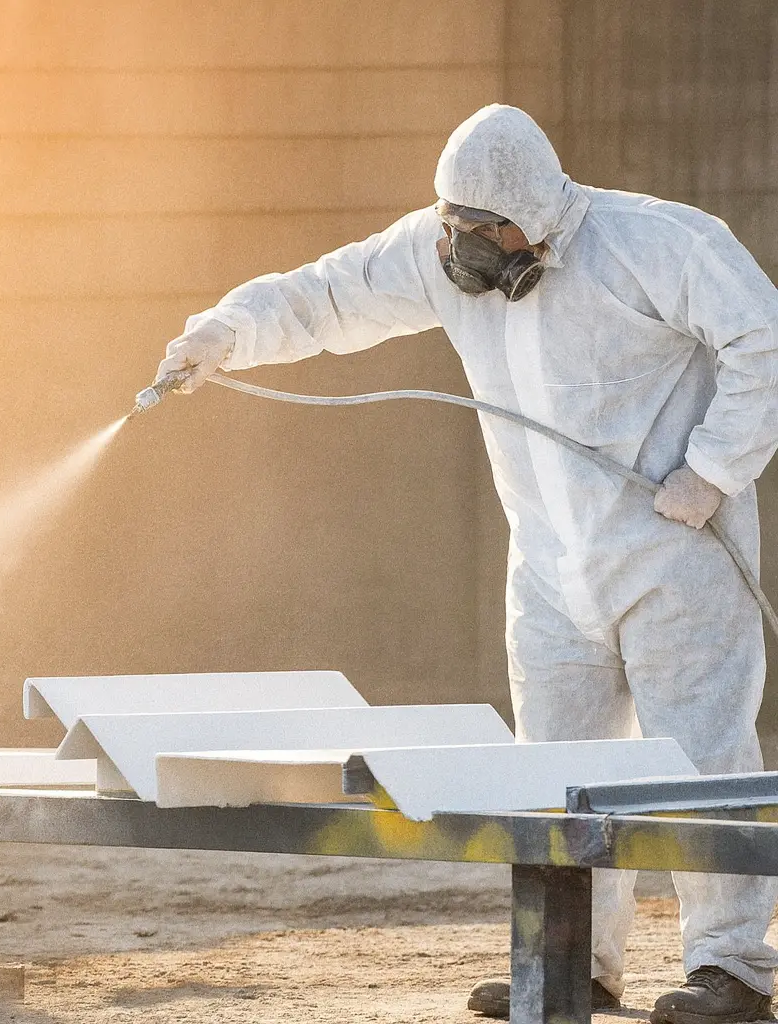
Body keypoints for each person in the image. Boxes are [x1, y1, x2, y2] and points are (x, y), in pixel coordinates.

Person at [149, 103, 778, 1024]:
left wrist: (714, 471)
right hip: (552, 565)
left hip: (673, 547)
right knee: (558, 768)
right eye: (456, 227)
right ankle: (573, 963)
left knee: (699, 759)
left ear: (538, 219)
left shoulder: (658, 245)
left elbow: (763, 337)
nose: (466, 248)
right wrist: (224, 332)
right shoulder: (432, 255)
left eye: (488, 232)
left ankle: (731, 969)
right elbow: (324, 296)